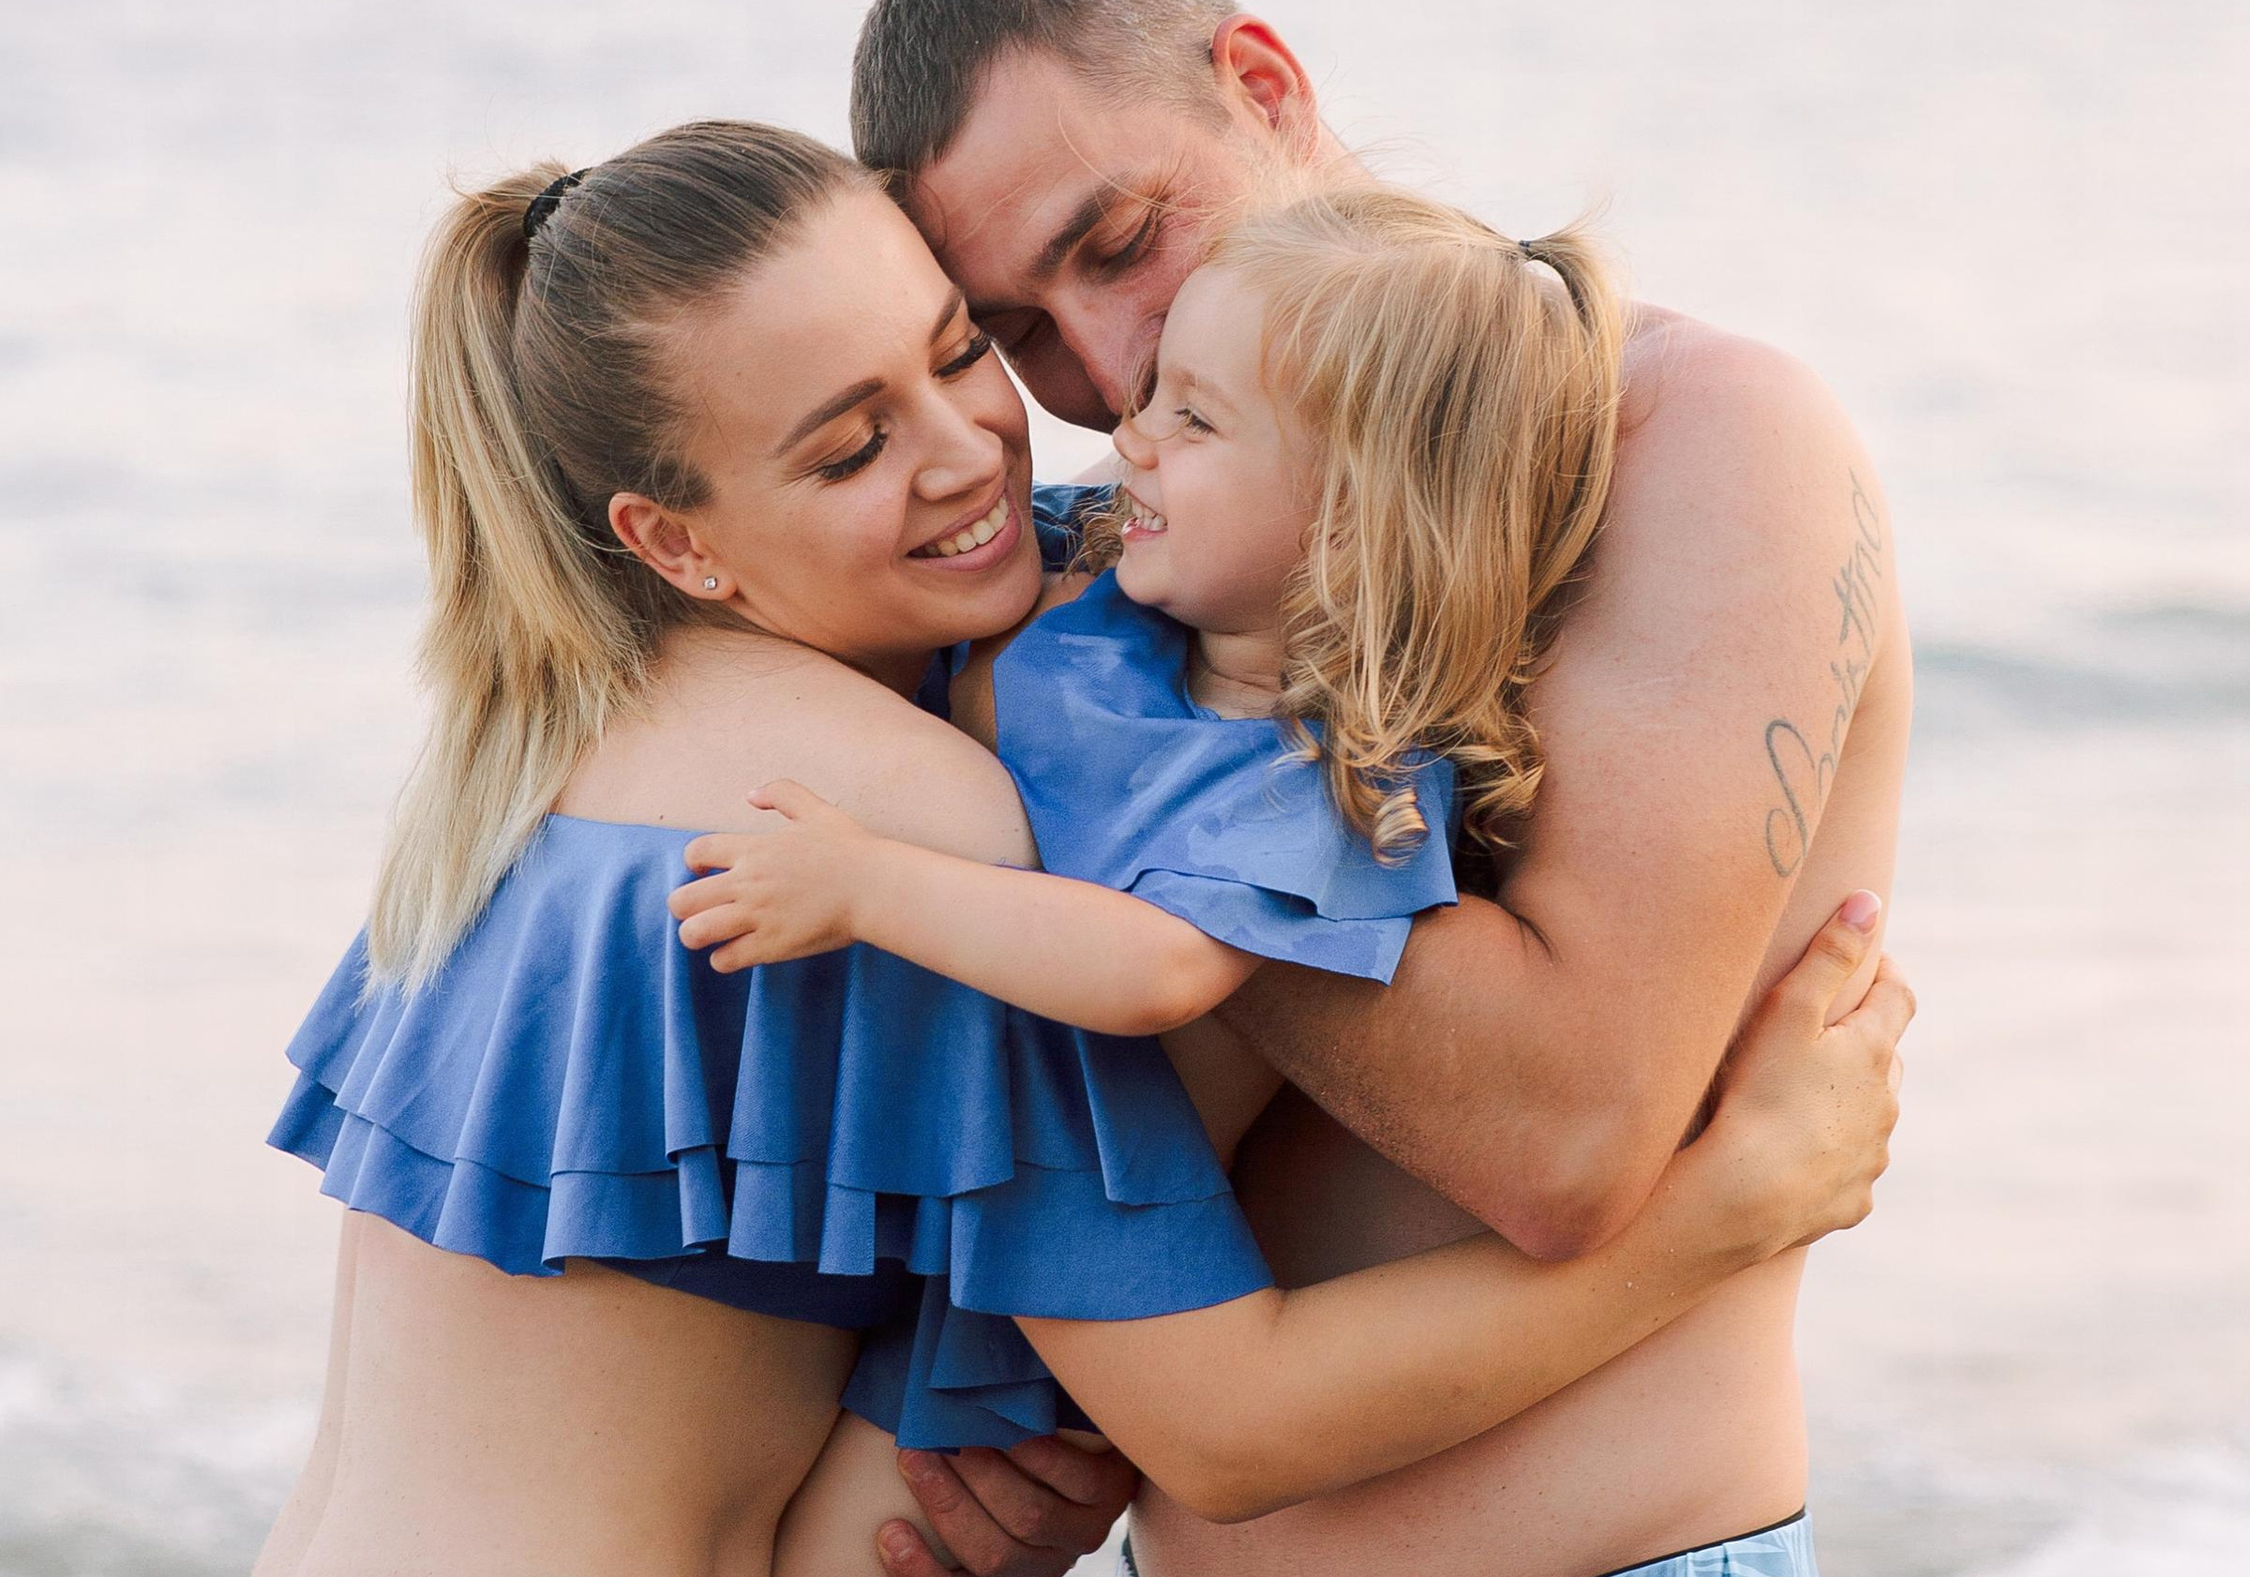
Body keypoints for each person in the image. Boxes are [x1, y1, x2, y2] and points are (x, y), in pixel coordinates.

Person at [224, 121, 1910, 1577]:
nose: (973, 450)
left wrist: (973, 1425)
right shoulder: (897, 814)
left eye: (964, 350)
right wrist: (1727, 1213)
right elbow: (1228, 1420)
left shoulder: (534, 755)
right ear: (674, 538)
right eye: (846, 447)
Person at [846, 0, 1914, 1577]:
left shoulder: (1685, 439)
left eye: (1119, 243)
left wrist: (1049, 736)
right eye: (1014, 334)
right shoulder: (1154, 561)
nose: (1106, 375)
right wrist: (1029, 1389)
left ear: (1262, 85)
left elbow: (1564, 1130)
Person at [660, 185, 1629, 1448]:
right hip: (959, 1180)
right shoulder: (1119, 597)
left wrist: (863, 885)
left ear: (1347, 518)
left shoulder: (1329, 777)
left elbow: (1158, 969)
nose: (1128, 437)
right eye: (1157, 392)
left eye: (1196, 418)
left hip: (1088, 1254)